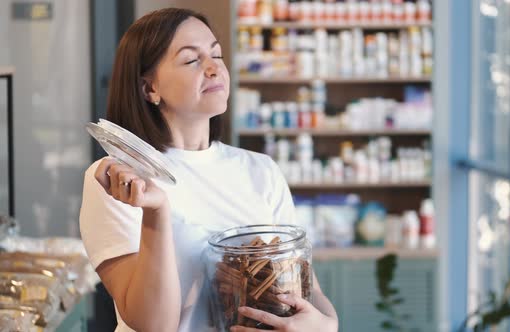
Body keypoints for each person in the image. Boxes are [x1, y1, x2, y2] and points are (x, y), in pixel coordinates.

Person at [79, 8, 338, 332]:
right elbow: (153, 325)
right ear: (149, 88)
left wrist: (326, 325)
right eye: (192, 60)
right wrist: (157, 211)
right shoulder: (117, 178)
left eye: (216, 54)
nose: (215, 67)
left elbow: (305, 286)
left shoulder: (261, 170)